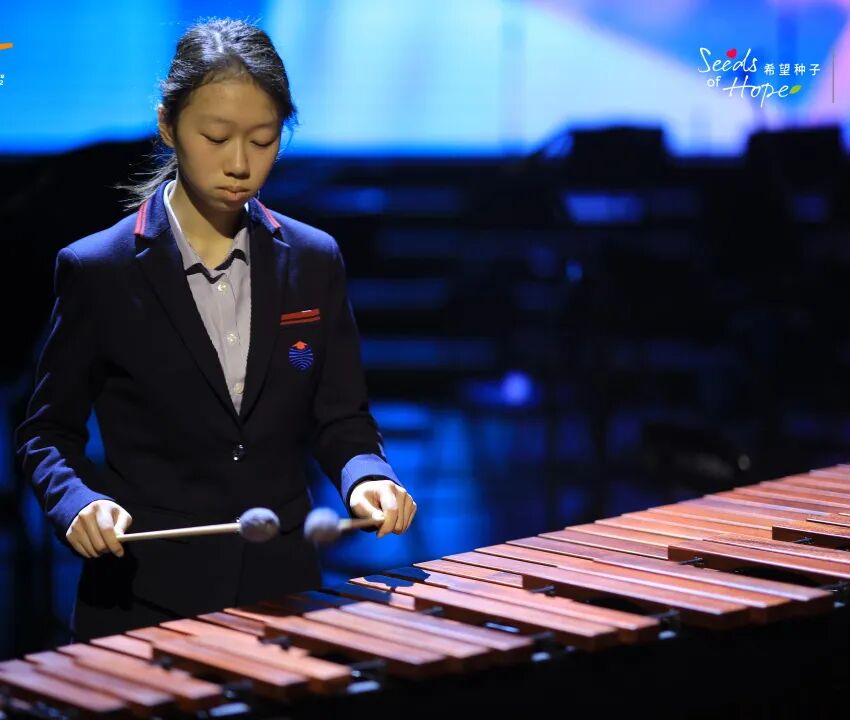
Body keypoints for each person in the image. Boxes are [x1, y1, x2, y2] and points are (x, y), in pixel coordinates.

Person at [15, 17, 416, 641]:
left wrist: (368, 475)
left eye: (263, 140)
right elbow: (47, 433)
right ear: (167, 125)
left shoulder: (314, 260)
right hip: (143, 598)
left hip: (284, 591)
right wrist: (77, 503)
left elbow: (342, 419)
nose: (240, 164)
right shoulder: (98, 270)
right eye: (216, 137)